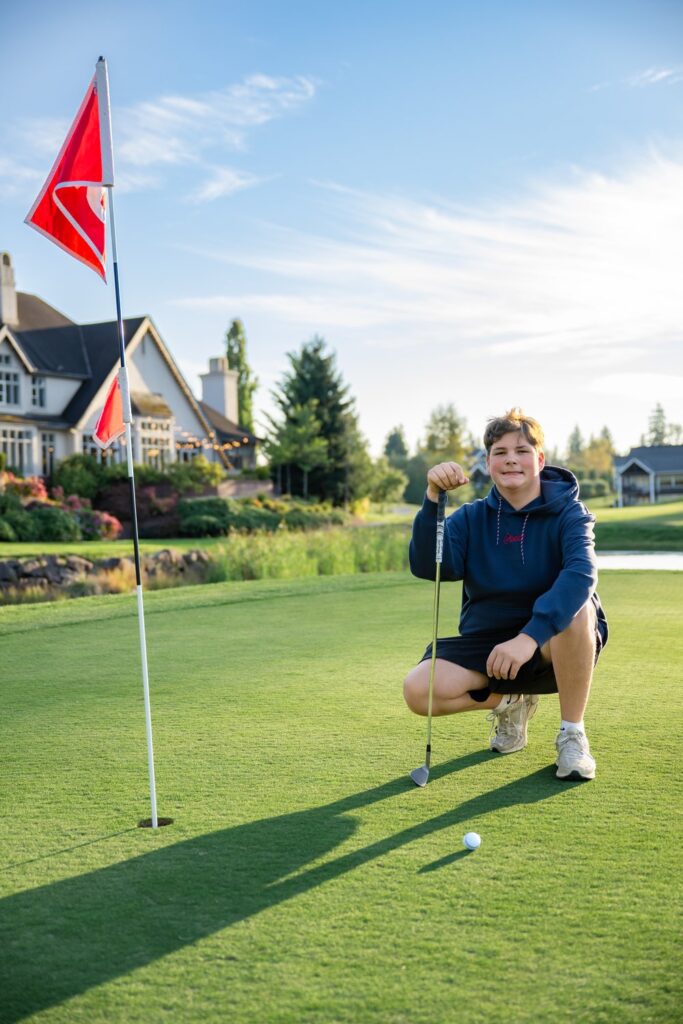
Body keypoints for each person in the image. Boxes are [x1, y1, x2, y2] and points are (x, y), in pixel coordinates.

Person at [403, 408, 608, 781]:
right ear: (487, 463)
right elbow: (428, 566)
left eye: (522, 450)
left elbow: (582, 574)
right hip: (489, 644)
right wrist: (433, 499)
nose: (511, 458)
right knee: (418, 691)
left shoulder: (570, 513)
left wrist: (528, 638)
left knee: (578, 609)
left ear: (540, 460)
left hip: (550, 643)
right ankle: (510, 701)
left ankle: (572, 735)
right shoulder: (470, 517)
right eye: (500, 452)